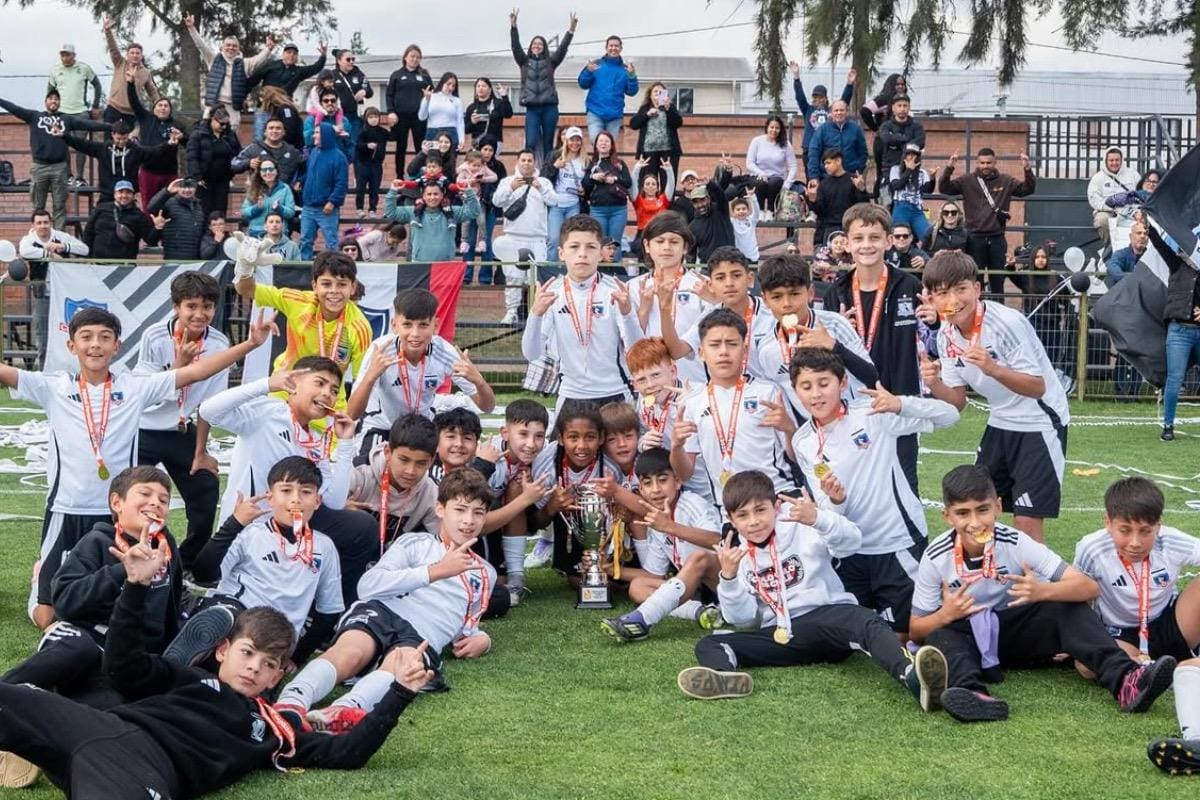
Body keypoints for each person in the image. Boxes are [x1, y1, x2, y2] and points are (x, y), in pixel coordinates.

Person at [0, 545, 431, 798]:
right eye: (247, 653)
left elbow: (349, 752)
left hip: (144, 770)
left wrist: (399, 692)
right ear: (222, 651)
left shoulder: (274, 732)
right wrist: (135, 586)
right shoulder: (186, 677)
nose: (254, 668)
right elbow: (122, 666)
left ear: (277, 677)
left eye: (268, 665)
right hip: (98, 726)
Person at [0, 306, 268, 629]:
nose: (95, 344)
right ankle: (40, 576)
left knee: (119, 601)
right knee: (48, 618)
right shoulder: (53, 387)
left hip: (118, 513)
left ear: (117, 346)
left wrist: (250, 344)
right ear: (71, 346)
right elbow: (5, 373)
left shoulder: (134, 387)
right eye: (86, 337)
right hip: (66, 509)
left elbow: (196, 372)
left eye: (104, 337)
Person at [909, 464, 1177, 723]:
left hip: (1016, 635)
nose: (975, 523)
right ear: (947, 516)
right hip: (967, 640)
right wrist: (945, 614)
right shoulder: (936, 557)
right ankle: (973, 694)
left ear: (998, 507)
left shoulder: (1015, 542)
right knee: (939, 634)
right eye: (962, 513)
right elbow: (915, 630)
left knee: (1065, 605)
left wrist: (1041, 591)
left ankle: (1126, 681)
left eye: (983, 510)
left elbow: (1088, 587)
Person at [677, 469, 949, 706]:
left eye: (760, 510)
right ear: (731, 519)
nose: (754, 521)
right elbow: (744, 620)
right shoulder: (738, 557)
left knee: (865, 620)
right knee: (711, 642)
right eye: (743, 515)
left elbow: (851, 542)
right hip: (784, 635)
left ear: (775, 506)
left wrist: (819, 519)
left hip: (828, 619)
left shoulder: (801, 527)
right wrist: (728, 579)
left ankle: (911, 676)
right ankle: (724, 677)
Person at [276, 469, 498, 729]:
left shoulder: (486, 573)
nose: (468, 520)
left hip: (422, 635)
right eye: (460, 510)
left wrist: (483, 639)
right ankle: (291, 702)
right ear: (440, 509)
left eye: (478, 512)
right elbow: (368, 586)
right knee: (351, 651)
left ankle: (342, 712)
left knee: (403, 663)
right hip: (382, 613)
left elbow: (467, 623)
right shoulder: (414, 544)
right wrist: (435, 571)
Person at [789, 348, 958, 633]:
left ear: (843, 383)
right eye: (806, 387)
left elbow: (950, 415)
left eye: (823, 383)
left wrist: (901, 404)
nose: (816, 394)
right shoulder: (803, 441)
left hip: (895, 543)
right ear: (795, 391)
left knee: (912, 629)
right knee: (858, 633)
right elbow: (827, 507)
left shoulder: (873, 413)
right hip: (850, 550)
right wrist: (836, 500)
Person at [197, 359, 377, 603]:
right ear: (294, 384)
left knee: (361, 527)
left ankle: (334, 609)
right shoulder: (268, 413)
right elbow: (208, 410)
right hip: (249, 527)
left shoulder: (315, 440)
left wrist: (345, 443)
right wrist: (267, 384)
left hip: (290, 526)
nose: (328, 393)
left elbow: (333, 502)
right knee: (236, 590)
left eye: (334, 390)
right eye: (320, 383)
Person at [920, 251, 1069, 543]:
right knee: (976, 506)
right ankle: (989, 569)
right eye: (943, 293)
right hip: (1000, 419)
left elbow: (1037, 386)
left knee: (1026, 521)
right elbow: (958, 402)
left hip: (1039, 421)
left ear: (977, 289)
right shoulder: (945, 335)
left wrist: (993, 368)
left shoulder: (1006, 322)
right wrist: (934, 383)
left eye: (961, 289)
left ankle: (1031, 574)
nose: (953, 301)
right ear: (932, 299)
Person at [0, 466, 179, 707]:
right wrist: (122, 571)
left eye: (163, 500)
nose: (156, 503)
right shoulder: (97, 541)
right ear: (116, 502)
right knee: (77, 650)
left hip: (125, 655)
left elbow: (171, 607)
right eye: (145, 494)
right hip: (85, 636)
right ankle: (8, 689)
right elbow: (64, 601)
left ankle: (54, 703)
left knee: (116, 703)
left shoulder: (166, 550)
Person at [180, 455, 344, 666]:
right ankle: (185, 659)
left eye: (306, 492)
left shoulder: (324, 547)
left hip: (276, 635)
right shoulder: (250, 534)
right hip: (235, 615)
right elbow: (203, 574)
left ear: (317, 501)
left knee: (256, 650)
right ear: (270, 497)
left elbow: (329, 611)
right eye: (286, 490)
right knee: (222, 618)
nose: (296, 499)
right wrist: (234, 523)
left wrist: (297, 657)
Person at [829, 203, 929, 492]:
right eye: (858, 238)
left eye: (874, 237)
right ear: (847, 244)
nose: (867, 245)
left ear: (888, 241)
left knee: (904, 485)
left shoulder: (910, 286)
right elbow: (827, 354)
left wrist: (935, 323)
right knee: (856, 486)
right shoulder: (838, 292)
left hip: (900, 402)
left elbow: (934, 337)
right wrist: (840, 331)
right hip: (853, 407)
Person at [133, 272, 228, 569]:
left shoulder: (220, 344)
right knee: (132, 496)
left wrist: (201, 452)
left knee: (205, 490)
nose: (200, 314)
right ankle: (135, 556)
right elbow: (146, 393)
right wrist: (180, 366)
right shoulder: (154, 335)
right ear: (176, 307)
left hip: (183, 430)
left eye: (207, 307)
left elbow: (210, 405)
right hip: (144, 429)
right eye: (191, 306)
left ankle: (186, 564)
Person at [670, 307, 800, 507]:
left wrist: (790, 429)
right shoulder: (691, 403)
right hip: (731, 509)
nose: (723, 352)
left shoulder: (768, 392)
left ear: (744, 350)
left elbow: (797, 458)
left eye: (731, 344)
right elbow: (684, 473)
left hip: (778, 498)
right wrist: (676, 446)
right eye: (715, 345)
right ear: (701, 353)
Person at [1073, 477, 1200, 675]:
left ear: (1158, 525)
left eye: (1145, 531)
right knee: (1086, 665)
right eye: (1124, 530)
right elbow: (1078, 594)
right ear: (1108, 522)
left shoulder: (1171, 541)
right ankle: (1163, 670)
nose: (1135, 542)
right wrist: (1077, 638)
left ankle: (1165, 668)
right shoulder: (1092, 549)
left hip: (1172, 622)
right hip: (1121, 634)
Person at [347, 288, 496, 452]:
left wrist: (479, 381)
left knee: (450, 461)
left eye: (423, 325)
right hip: (382, 425)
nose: (415, 333)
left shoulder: (445, 353)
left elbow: (487, 407)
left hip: (422, 426)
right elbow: (352, 413)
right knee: (373, 466)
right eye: (407, 325)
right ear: (394, 326)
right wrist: (370, 378)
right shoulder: (380, 351)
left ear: (435, 326)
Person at [600, 447, 724, 641]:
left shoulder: (693, 504)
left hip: (725, 583)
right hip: (696, 589)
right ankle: (701, 611)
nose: (656, 489)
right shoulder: (657, 520)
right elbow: (654, 575)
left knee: (700, 557)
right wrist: (610, 569)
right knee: (638, 587)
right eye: (647, 483)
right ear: (641, 490)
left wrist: (670, 527)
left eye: (663, 480)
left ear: (678, 481)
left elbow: (718, 541)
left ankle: (641, 620)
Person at [522, 215, 642, 410]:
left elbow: (637, 349)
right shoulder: (552, 292)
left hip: (615, 393)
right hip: (571, 394)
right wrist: (535, 315)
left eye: (591, 247)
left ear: (601, 253)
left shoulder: (615, 291)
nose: (582, 254)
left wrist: (628, 314)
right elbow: (531, 354)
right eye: (574, 247)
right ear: (561, 253)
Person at [234, 251, 372, 403]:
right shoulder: (298, 302)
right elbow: (246, 289)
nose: (334, 291)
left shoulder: (360, 328)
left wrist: (351, 415)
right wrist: (245, 268)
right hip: (286, 390)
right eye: (326, 284)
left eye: (342, 284)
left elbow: (361, 382)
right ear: (315, 286)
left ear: (353, 287)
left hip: (329, 400)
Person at [754, 254, 878, 422]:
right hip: (815, 431)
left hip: (858, 423)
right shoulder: (766, 349)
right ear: (765, 300)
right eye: (776, 297)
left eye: (794, 294)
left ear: (810, 293)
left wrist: (834, 347)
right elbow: (787, 399)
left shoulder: (834, 325)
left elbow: (872, 376)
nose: (786, 304)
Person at [0, 90, 111, 230]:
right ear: (45, 101)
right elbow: (14, 108)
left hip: (59, 168)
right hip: (39, 167)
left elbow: (88, 125)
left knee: (59, 206)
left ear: (59, 103)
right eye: (51, 98)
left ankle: (58, 237)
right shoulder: (34, 116)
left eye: (56, 99)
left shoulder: (66, 119)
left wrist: (111, 127)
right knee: (38, 206)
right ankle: (38, 235)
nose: (54, 101)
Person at [938, 147, 1036, 295]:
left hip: (997, 238)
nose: (985, 166)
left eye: (989, 163)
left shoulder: (1006, 180)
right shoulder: (967, 180)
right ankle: (975, 309)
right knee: (974, 280)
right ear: (977, 163)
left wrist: (1027, 168)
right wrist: (949, 167)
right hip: (974, 238)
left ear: (995, 162)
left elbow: (1027, 190)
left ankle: (996, 308)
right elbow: (944, 188)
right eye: (982, 163)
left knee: (998, 280)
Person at [493, 150, 558, 322]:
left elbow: (554, 201)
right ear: (518, 162)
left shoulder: (543, 181)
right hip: (513, 237)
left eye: (530, 160)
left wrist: (540, 187)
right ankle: (511, 312)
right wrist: (511, 188)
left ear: (534, 162)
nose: (527, 163)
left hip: (537, 238)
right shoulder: (507, 181)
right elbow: (497, 201)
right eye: (523, 160)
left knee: (536, 278)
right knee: (513, 277)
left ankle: (537, 313)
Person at [184, 12, 276, 127]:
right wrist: (191, 27)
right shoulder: (213, 59)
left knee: (231, 135)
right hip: (213, 104)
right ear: (222, 47)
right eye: (228, 45)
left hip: (233, 107)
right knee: (206, 132)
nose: (231, 48)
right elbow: (201, 46)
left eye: (234, 46)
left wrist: (268, 49)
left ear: (238, 49)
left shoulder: (245, 64)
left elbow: (259, 59)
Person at [511, 9, 577, 164]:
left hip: (549, 107)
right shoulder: (524, 61)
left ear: (544, 47)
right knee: (530, 142)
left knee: (548, 143)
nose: (537, 46)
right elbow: (515, 46)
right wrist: (513, 27)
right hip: (532, 109)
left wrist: (571, 30)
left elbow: (562, 48)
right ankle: (528, 169)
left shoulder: (550, 62)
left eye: (540, 44)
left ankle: (548, 171)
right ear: (531, 47)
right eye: (535, 44)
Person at [60, 119, 176, 202]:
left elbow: (152, 152)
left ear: (128, 136)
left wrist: (168, 144)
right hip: (107, 195)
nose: (121, 142)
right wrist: (64, 136)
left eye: (124, 139)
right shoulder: (103, 149)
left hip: (128, 195)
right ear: (112, 135)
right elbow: (82, 144)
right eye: (118, 139)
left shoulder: (135, 150)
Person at [1156, 226, 1200, 442]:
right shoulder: (1176, 263)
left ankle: (1168, 425)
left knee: (1174, 378)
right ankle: (1168, 425)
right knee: (1174, 379)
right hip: (1179, 330)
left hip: (1188, 331)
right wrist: (1149, 225)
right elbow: (1159, 244)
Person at [125, 71, 186, 211]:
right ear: (154, 108)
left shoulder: (177, 125)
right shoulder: (146, 119)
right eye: (160, 105)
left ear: (170, 110)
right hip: (149, 171)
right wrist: (130, 83)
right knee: (149, 206)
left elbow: (188, 142)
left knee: (170, 207)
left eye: (166, 106)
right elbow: (134, 102)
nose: (163, 108)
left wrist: (182, 136)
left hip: (169, 172)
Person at [384, 177, 482, 263]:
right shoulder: (413, 211)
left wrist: (469, 192)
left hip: (445, 265)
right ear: (423, 196)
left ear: (442, 195)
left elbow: (474, 212)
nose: (432, 197)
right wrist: (393, 191)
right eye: (429, 194)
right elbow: (391, 212)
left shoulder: (453, 212)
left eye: (436, 194)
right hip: (419, 264)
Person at [246, 41, 328, 142]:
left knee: (285, 136)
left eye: (294, 53)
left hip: (284, 109)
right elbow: (254, 79)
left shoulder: (298, 72)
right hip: (265, 107)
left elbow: (315, 68)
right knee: (259, 136)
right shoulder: (271, 65)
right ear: (283, 54)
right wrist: (244, 96)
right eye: (289, 52)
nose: (291, 55)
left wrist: (323, 56)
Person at [47, 43, 103, 184]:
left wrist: (95, 106)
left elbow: (97, 85)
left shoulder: (83, 68)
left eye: (67, 54)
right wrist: (51, 109)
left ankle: (80, 176)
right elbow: (50, 92)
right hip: (62, 113)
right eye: (62, 55)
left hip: (80, 112)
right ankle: (68, 175)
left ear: (74, 55)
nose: (65, 57)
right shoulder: (55, 70)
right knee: (62, 143)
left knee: (80, 145)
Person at [789, 61, 855, 175]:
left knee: (828, 178)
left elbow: (844, 101)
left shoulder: (831, 111)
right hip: (810, 148)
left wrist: (849, 84)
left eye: (820, 97)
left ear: (825, 98)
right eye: (815, 97)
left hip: (827, 148)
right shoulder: (808, 110)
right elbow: (800, 96)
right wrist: (796, 77)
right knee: (812, 177)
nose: (817, 100)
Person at [299, 121, 350, 259]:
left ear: (325, 135)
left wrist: (332, 202)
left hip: (327, 209)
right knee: (305, 241)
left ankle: (332, 267)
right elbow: (310, 174)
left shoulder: (339, 157)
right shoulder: (313, 152)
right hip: (308, 207)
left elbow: (342, 183)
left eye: (317, 133)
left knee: (331, 242)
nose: (313, 135)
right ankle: (304, 266)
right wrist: (300, 181)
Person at [577, 34, 639, 141]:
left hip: (615, 115)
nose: (613, 48)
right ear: (606, 48)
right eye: (611, 46)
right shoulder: (596, 65)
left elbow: (632, 91)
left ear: (621, 48)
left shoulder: (625, 70)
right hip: (595, 112)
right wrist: (588, 72)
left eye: (616, 46)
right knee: (596, 142)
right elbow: (583, 84)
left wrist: (632, 76)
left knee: (610, 145)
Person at [581, 131, 633, 258]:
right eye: (601, 141)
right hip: (598, 209)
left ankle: (615, 269)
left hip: (618, 209)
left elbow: (628, 182)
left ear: (611, 145)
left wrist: (615, 179)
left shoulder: (619, 163)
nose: (603, 144)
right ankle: (601, 269)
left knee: (615, 243)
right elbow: (585, 185)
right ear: (596, 145)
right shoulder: (592, 164)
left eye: (606, 141)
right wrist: (593, 177)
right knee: (600, 243)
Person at [101, 15, 159, 127]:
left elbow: (152, 91)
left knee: (129, 138)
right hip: (114, 108)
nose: (135, 55)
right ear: (127, 55)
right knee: (109, 136)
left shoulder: (146, 72)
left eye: (137, 53)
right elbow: (113, 48)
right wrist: (108, 31)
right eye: (132, 53)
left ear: (141, 56)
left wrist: (159, 105)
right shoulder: (119, 63)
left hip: (131, 113)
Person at [386, 45, 433, 177]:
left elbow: (432, 93)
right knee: (401, 147)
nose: (415, 59)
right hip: (401, 116)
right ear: (405, 57)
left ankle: (421, 176)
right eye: (412, 56)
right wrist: (391, 111)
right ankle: (399, 176)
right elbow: (389, 95)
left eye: (418, 57)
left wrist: (428, 97)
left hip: (419, 117)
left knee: (421, 147)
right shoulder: (397, 75)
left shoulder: (424, 75)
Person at [82, 180, 160, 260]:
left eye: (128, 192)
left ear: (133, 196)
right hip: (99, 262)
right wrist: (86, 257)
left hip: (125, 264)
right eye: (120, 192)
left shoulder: (139, 215)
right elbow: (88, 233)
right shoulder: (101, 209)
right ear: (115, 194)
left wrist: (157, 227)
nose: (124, 195)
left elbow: (150, 240)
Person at [186, 107, 240, 217]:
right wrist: (197, 176)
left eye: (226, 124)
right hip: (204, 181)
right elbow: (192, 156)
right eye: (221, 124)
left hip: (223, 179)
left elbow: (238, 153)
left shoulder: (230, 135)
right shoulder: (198, 134)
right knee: (204, 212)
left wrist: (231, 172)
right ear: (212, 119)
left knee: (220, 211)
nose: (224, 127)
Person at [810, 147, 870, 247]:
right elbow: (820, 212)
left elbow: (863, 207)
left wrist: (861, 189)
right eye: (825, 164)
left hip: (849, 227)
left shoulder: (853, 181)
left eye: (828, 163)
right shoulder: (824, 184)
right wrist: (812, 200)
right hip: (828, 229)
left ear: (838, 161)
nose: (826, 167)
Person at [544, 126, 588, 251]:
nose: (575, 143)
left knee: (572, 240)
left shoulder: (585, 160)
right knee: (554, 240)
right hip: (557, 204)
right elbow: (544, 177)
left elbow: (588, 183)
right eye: (572, 140)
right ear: (566, 141)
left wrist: (584, 190)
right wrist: (554, 167)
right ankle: (551, 264)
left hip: (574, 204)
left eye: (578, 140)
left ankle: (569, 264)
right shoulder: (555, 156)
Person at [467, 135, 506, 277]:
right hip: (471, 205)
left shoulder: (498, 166)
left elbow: (503, 185)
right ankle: (466, 275)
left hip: (489, 207)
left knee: (486, 240)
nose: (487, 153)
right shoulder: (471, 163)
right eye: (485, 149)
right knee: (470, 240)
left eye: (491, 150)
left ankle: (485, 276)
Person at [631, 81, 684, 183]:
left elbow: (678, 123)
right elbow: (633, 124)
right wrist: (647, 115)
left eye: (661, 92)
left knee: (668, 182)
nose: (658, 94)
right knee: (649, 181)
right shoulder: (645, 108)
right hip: (648, 151)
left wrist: (668, 109)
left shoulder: (670, 107)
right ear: (650, 95)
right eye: (655, 91)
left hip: (668, 152)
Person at [745, 115, 797, 219]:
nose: (774, 130)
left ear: (781, 130)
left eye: (777, 128)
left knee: (774, 183)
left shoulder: (786, 144)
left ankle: (770, 211)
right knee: (760, 183)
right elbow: (749, 163)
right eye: (772, 127)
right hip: (758, 175)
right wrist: (761, 173)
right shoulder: (757, 141)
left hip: (776, 177)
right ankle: (759, 211)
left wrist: (787, 183)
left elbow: (793, 166)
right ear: (767, 127)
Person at [1088, 146, 1141, 246]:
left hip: (1130, 211)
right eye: (1111, 160)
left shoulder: (1133, 174)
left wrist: (1133, 204)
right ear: (1106, 161)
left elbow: (1141, 192)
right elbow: (1093, 198)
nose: (1114, 163)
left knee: (1143, 219)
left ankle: (1135, 248)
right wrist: (1109, 203)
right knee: (1101, 220)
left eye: (1117, 160)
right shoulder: (1098, 178)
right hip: (1109, 212)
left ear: (1121, 160)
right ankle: (1110, 247)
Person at [231, 117, 305, 188]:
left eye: (278, 128)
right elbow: (233, 164)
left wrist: (299, 181)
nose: (274, 131)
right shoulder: (253, 149)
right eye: (271, 128)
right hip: (258, 194)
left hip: (284, 194)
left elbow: (305, 169)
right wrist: (248, 163)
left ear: (284, 132)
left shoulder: (292, 152)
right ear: (265, 132)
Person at [687, 157, 737, 263]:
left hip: (730, 261)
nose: (700, 205)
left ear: (708, 199)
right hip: (708, 267)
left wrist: (710, 183)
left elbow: (720, 194)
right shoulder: (692, 226)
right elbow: (691, 254)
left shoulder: (720, 210)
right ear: (692, 204)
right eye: (696, 202)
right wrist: (690, 269)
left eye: (702, 200)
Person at [876, 93, 925, 200]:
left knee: (909, 202)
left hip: (910, 171)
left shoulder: (917, 127)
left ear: (909, 107)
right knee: (885, 203)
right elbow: (886, 138)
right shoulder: (886, 126)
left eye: (905, 105)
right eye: (899, 105)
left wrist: (896, 140)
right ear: (893, 108)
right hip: (888, 171)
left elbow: (921, 142)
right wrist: (906, 140)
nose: (902, 109)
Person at [147, 178, 207, 261]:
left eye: (190, 187)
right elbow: (151, 207)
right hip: (173, 259)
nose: (187, 190)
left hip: (195, 260)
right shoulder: (169, 203)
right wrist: (167, 191)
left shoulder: (199, 207)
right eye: (183, 187)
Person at [806, 100, 867, 180]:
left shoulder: (855, 129)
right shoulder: (822, 130)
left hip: (850, 176)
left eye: (842, 110)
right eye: (836, 110)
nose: (839, 113)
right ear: (831, 113)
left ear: (847, 112)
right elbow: (814, 152)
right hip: (827, 177)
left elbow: (863, 152)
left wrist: (859, 170)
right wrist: (814, 176)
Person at [888, 143, 934, 240]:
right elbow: (896, 186)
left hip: (917, 209)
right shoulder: (895, 169)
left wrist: (933, 178)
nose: (911, 157)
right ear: (904, 156)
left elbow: (928, 190)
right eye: (908, 154)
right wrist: (909, 170)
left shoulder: (922, 173)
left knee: (927, 236)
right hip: (901, 206)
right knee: (899, 235)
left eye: (914, 154)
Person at [330, 48, 372, 154]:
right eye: (348, 59)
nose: (351, 62)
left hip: (354, 116)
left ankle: (352, 163)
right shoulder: (332, 75)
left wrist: (364, 91)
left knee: (353, 143)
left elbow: (370, 91)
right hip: (337, 116)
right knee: (339, 143)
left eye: (353, 59)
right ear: (339, 61)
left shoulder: (359, 74)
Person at [241, 160, 296, 238]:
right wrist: (256, 208)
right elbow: (244, 211)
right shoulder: (254, 188)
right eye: (264, 170)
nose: (267, 172)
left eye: (271, 169)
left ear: (276, 171)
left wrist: (279, 208)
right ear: (260, 173)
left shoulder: (285, 188)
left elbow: (291, 213)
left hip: (278, 233)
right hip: (256, 232)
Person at [355, 107, 389, 220]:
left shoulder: (382, 132)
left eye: (376, 117)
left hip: (377, 164)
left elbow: (393, 136)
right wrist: (367, 145)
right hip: (363, 163)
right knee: (360, 187)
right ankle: (359, 208)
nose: (374, 119)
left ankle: (372, 209)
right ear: (366, 118)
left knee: (374, 188)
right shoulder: (362, 131)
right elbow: (357, 145)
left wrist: (392, 124)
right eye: (371, 117)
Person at [419, 72, 465, 150]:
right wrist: (426, 100)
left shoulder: (457, 101)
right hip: (432, 131)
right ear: (442, 83)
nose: (450, 88)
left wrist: (461, 139)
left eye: (453, 86)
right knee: (432, 156)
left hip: (450, 132)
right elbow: (422, 117)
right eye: (448, 84)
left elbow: (460, 122)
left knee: (449, 156)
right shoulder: (430, 96)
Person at [464, 77, 513, 149]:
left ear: (490, 89)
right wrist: (472, 122)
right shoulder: (471, 107)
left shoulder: (497, 103)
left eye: (483, 86)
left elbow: (508, 114)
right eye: (478, 86)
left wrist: (504, 96)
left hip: (494, 141)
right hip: (478, 142)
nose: (480, 88)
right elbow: (466, 130)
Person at [729, 191, 761, 263]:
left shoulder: (752, 220)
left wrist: (753, 197)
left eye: (744, 209)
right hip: (737, 258)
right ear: (733, 212)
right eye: (738, 209)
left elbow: (756, 211)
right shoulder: (731, 222)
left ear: (748, 210)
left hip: (752, 257)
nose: (741, 211)